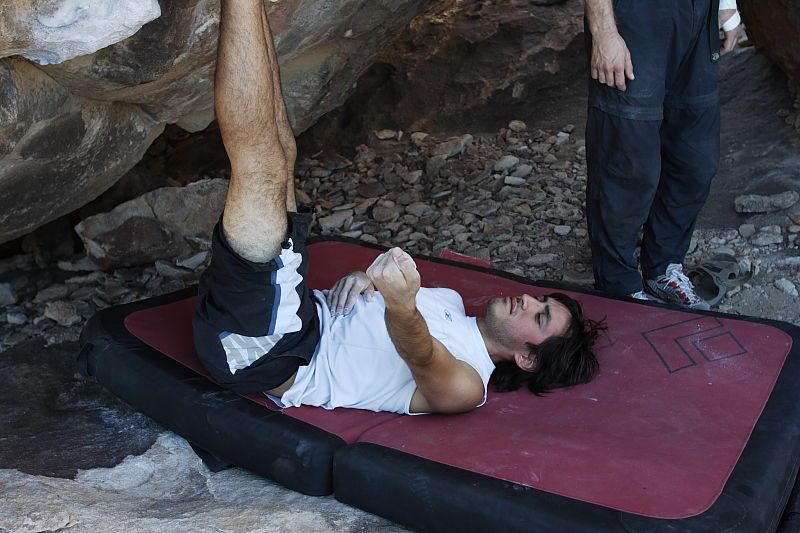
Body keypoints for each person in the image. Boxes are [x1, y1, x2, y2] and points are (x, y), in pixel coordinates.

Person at [193, 0, 603, 415]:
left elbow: (422, 355)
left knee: (263, 164)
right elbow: (378, 308)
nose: (528, 301)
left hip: (269, 353)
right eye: (539, 300)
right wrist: (365, 281)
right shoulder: (450, 303)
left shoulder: (468, 384)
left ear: (527, 358)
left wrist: (400, 303)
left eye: (539, 317)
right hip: (301, 309)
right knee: (283, 152)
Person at [583, 0, 743, 309]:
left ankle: (664, 268)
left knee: (696, 160)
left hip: (699, 15)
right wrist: (603, 31)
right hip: (633, 17)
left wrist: (725, 3)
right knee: (627, 164)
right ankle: (618, 286)